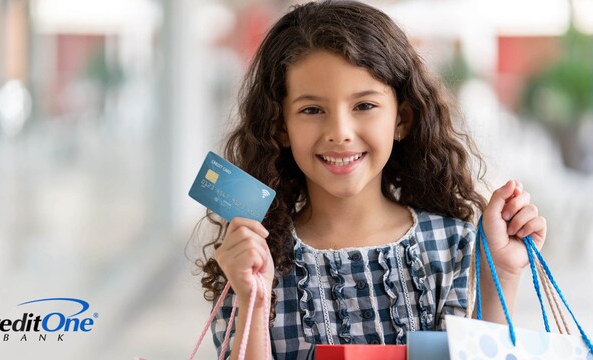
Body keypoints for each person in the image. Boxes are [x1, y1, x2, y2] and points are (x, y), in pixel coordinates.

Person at [196, 1, 547, 359]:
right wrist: (253, 300)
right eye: (312, 110)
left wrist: (501, 278)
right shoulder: (253, 260)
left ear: (402, 119)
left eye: (364, 105)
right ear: (280, 127)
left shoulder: (451, 245)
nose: (340, 133)